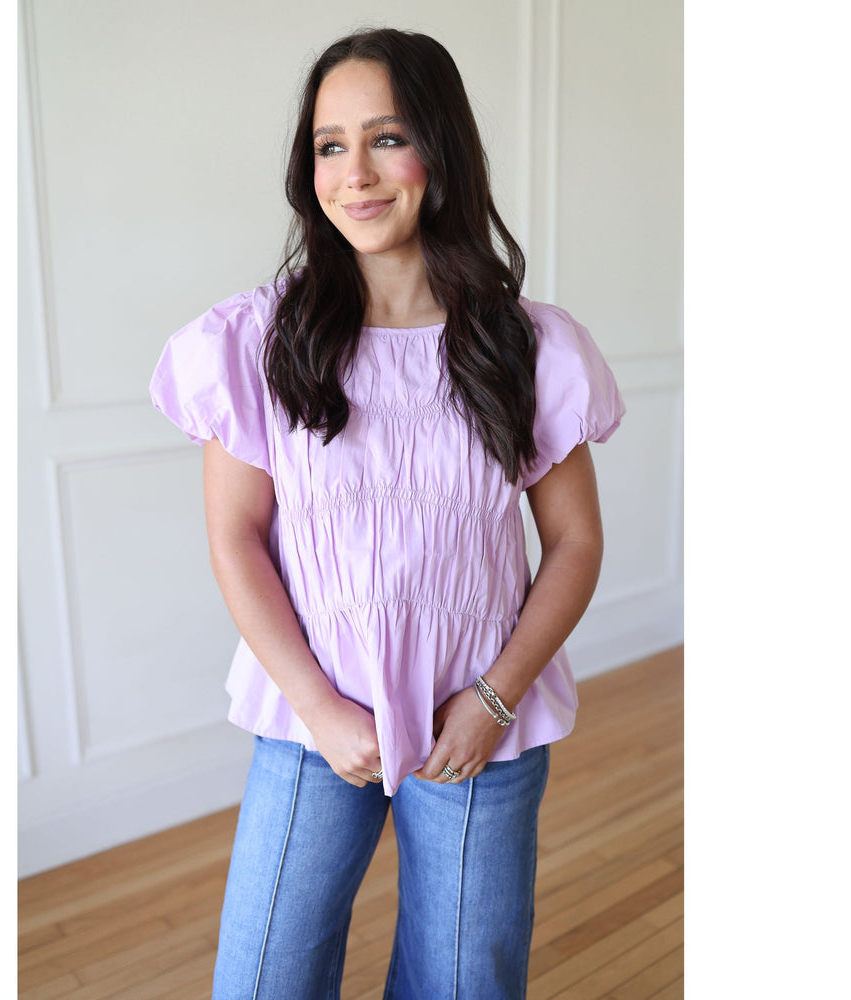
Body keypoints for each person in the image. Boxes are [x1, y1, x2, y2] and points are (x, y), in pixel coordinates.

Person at [149, 27, 624, 1000]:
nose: (354, 173)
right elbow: (235, 539)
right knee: (264, 979)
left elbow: (575, 542)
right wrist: (321, 711)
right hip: (311, 718)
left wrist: (492, 702)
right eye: (330, 145)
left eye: (386, 138)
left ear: (440, 151)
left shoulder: (529, 348)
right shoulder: (255, 341)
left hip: (479, 726)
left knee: (465, 983)